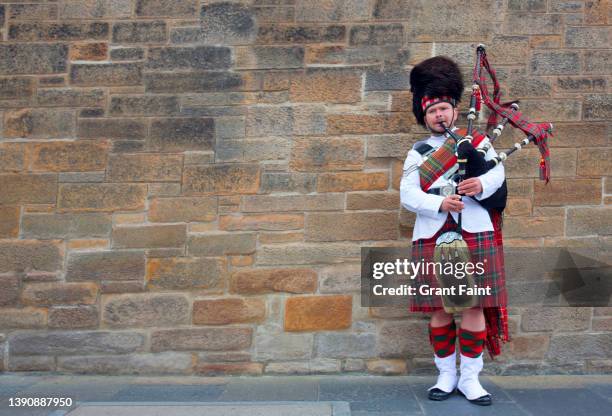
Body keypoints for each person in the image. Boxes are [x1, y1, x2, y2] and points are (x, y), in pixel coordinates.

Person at [400, 56, 509, 406]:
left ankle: (470, 378)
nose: (439, 116)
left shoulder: (477, 141)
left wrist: (481, 184)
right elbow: (407, 194)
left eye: (444, 109)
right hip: (433, 234)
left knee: (475, 307)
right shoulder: (417, 153)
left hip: (475, 232)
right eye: (432, 111)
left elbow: (498, 175)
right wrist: (439, 204)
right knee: (439, 309)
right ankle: (445, 375)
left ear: (455, 109)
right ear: (424, 115)